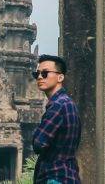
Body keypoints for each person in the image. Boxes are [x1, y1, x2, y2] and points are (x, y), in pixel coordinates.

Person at [32, 54, 81, 184]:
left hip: (55, 177)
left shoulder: (58, 105)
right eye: (36, 74)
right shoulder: (68, 103)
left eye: (45, 73)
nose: (40, 77)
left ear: (60, 77)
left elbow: (38, 143)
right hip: (68, 175)